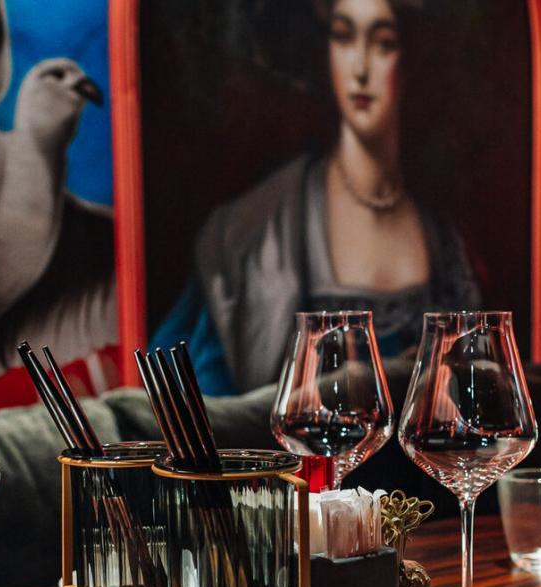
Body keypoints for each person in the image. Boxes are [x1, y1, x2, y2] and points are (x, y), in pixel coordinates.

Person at [150, 0, 481, 395]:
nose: (360, 68)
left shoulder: (442, 236)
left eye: (383, 43)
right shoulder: (252, 231)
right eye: (343, 38)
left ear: (411, 58)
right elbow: (196, 403)